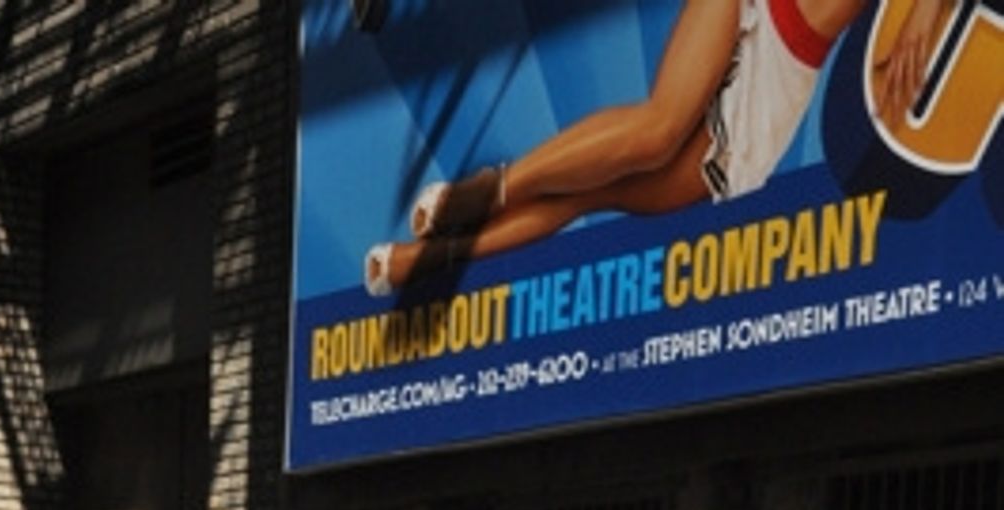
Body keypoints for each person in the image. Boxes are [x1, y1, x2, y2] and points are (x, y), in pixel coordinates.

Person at [364, 0, 954, 296]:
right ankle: (486, 189)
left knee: (590, 195)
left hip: (783, 77)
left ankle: (416, 262)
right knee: (658, 129)